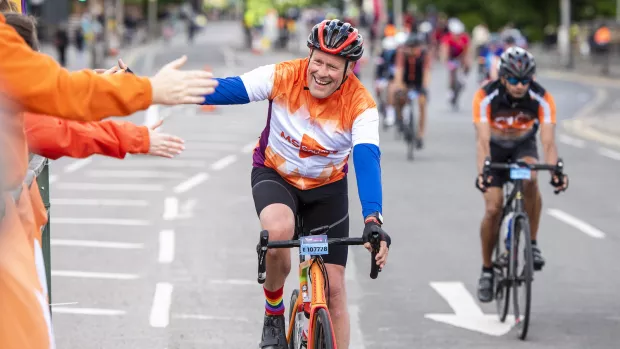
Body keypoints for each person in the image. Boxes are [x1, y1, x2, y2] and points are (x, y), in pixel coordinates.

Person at [199, 19, 392, 349]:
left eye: (332, 66)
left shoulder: (361, 104)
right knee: (278, 232)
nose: (321, 72)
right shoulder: (283, 75)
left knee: (333, 290)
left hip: (326, 190)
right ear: (309, 55)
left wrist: (373, 219)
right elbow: (226, 89)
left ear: (349, 69)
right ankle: (273, 313)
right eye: (317, 60)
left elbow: (366, 159)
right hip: (276, 175)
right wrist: (147, 89)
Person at [472, 47, 569, 303]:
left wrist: (555, 169)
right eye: (513, 80)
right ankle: (487, 270)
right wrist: (482, 170)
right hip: (494, 149)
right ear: (503, 78)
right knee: (493, 209)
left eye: (525, 80)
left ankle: (533, 243)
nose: (519, 86)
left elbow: (547, 142)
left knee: (531, 178)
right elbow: (482, 141)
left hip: (523, 147)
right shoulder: (485, 96)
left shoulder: (542, 98)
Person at [393, 33, 431, 148]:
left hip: (418, 83)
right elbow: (399, 71)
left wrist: (424, 87)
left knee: (422, 103)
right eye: (409, 47)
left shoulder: (424, 55)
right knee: (399, 97)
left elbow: (426, 72)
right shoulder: (401, 55)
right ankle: (399, 118)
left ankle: (420, 135)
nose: (411, 50)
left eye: (414, 47)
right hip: (406, 82)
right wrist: (399, 87)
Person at [440, 18, 471, 108]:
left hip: (461, 58)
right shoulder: (447, 38)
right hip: (451, 58)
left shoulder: (464, 38)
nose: (457, 36)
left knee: (462, 82)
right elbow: (444, 51)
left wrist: (466, 63)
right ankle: (450, 89)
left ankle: (458, 90)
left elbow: (467, 52)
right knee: (452, 75)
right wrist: (446, 61)